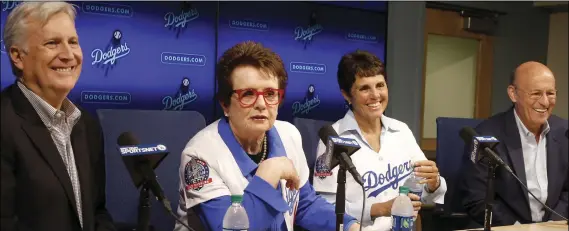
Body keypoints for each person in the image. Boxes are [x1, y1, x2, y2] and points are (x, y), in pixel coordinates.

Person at [173, 41, 361, 231]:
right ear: (225, 105)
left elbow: (305, 204)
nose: (262, 104)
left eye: (270, 93)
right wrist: (269, 174)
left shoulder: (289, 134)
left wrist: (349, 225)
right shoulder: (199, 155)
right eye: (248, 94)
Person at [0, 2, 116, 231]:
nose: (68, 54)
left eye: (73, 42)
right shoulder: (4, 124)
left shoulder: (87, 125)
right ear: (17, 56)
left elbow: (97, 211)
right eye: (52, 43)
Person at [312, 50, 447, 230]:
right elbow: (324, 207)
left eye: (380, 85)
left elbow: (423, 194)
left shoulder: (401, 130)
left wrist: (433, 183)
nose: (375, 95)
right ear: (346, 95)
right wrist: (378, 209)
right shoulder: (333, 140)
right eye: (364, 88)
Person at [461, 61, 568, 226]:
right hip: (508, 227)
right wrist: (521, 229)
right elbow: (478, 199)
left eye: (551, 93)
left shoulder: (565, 133)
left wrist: (552, 225)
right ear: (513, 94)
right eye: (536, 93)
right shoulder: (486, 136)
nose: (545, 102)